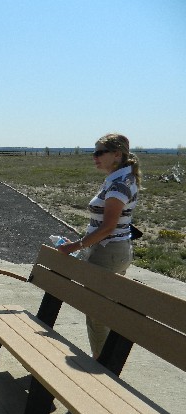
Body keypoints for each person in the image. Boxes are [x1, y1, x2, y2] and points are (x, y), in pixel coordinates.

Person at [57, 133, 141, 357]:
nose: (94, 157)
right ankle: (107, 357)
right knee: (104, 307)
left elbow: (108, 228)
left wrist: (74, 246)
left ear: (117, 154)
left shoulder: (119, 185)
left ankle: (103, 364)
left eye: (99, 152)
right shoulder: (120, 179)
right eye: (93, 152)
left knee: (96, 311)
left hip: (109, 252)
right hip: (115, 250)